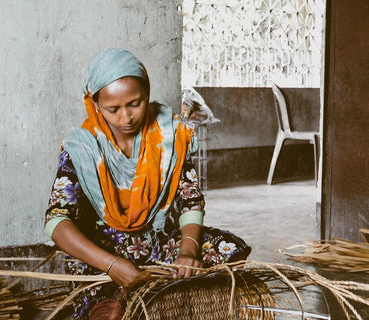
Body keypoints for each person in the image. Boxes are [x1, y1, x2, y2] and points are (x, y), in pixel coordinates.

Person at [44, 48, 251, 320]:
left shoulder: (169, 135)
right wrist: (113, 265)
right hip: (105, 253)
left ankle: (166, 295)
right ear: (95, 104)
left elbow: (189, 200)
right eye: (113, 109)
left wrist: (187, 250)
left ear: (147, 94)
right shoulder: (81, 148)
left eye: (135, 103)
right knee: (110, 309)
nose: (126, 117)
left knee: (226, 248)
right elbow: (57, 221)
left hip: (157, 245)